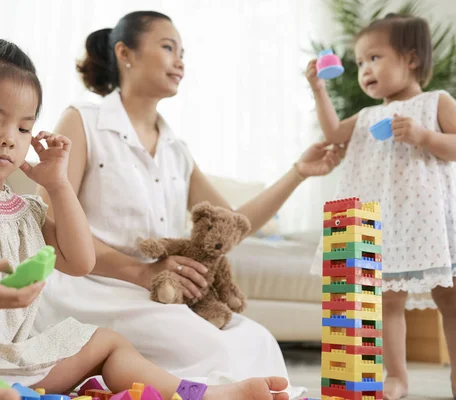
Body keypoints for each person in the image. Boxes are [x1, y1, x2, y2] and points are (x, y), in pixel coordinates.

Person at [0, 36, 291, 400]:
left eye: (23, 128)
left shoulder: (26, 212)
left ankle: (201, 393)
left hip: (7, 362)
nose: (7, 138)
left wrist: (58, 186)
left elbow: (80, 260)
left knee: (106, 342)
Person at [34, 11, 343, 394]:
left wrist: (299, 171)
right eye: (168, 47)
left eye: (183, 52)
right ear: (125, 53)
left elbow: (234, 223)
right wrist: (141, 272)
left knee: (258, 337)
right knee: (207, 345)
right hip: (90, 287)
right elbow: (48, 226)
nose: (180, 61)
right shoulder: (83, 120)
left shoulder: (176, 148)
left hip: (153, 290)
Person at [306, 14, 456, 400]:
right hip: (385, 222)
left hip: (430, 221)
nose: (364, 70)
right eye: (361, 62)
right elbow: (333, 134)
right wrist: (318, 91)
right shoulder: (366, 117)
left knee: (453, 297)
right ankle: (395, 376)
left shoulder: (436, 103)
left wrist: (425, 136)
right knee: (386, 300)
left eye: (375, 58)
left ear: (411, 60)